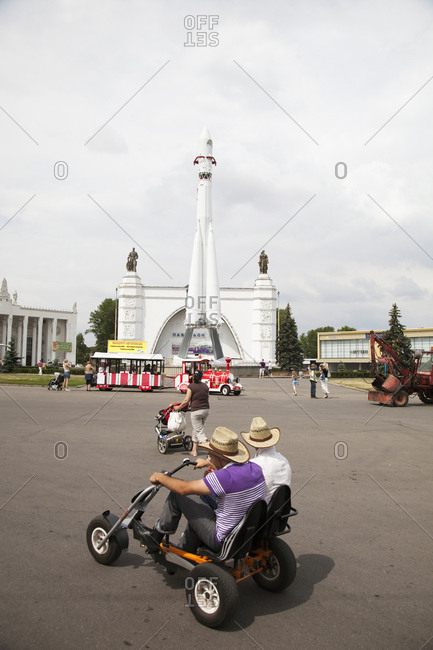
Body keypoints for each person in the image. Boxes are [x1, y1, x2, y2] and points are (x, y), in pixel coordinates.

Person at [136, 427, 266, 553]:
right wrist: (211, 464)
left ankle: (156, 536)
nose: (208, 456)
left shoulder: (223, 478)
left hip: (222, 539)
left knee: (177, 494)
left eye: (210, 455)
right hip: (244, 531)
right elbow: (231, 478)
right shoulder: (255, 468)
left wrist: (161, 477)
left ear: (220, 457)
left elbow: (183, 489)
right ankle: (185, 549)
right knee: (198, 501)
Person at [241, 417, 291, 503]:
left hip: (261, 511)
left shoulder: (254, 465)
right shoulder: (284, 461)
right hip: (281, 509)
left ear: (254, 444)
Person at [173, 370, 209, 457]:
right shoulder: (205, 386)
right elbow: (207, 398)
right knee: (197, 429)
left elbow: (186, 400)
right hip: (206, 410)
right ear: (201, 377)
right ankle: (194, 450)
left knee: (199, 431)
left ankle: (209, 451)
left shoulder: (191, 386)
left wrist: (178, 407)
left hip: (196, 411)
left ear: (193, 377)